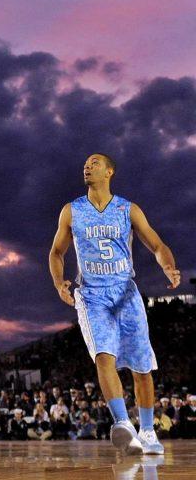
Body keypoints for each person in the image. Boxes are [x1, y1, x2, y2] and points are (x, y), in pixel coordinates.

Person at [48, 153, 180, 455]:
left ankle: (147, 431)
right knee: (103, 356)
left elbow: (157, 244)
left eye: (94, 162)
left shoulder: (127, 208)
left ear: (109, 171)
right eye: (85, 163)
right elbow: (57, 252)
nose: (87, 165)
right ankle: (123, 424)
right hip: (92, 294)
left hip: (125, 293)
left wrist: (168, 266)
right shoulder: (71, 211)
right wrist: (59, 282)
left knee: (141, 368)